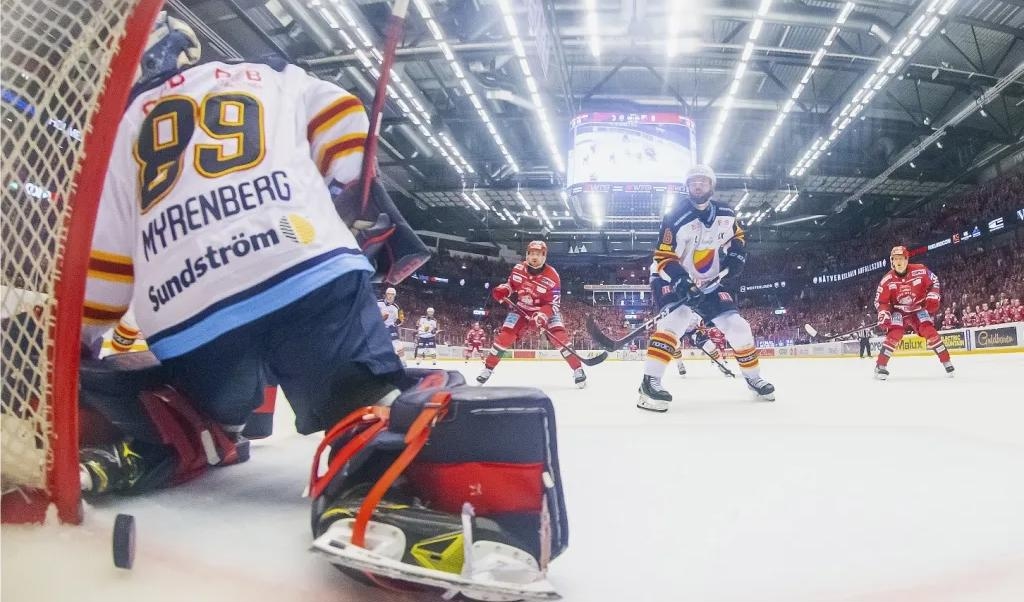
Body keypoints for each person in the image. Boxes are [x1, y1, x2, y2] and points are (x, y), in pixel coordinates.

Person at [78, 13, 413, 496]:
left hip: (191, 318)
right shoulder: (274, 77)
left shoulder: (120, 129)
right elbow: (345, 124)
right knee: (359, 398)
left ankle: (201, 431)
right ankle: (374, 450)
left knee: (208, 404)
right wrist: (350, 187)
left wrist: (79, 345)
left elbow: (104, 269)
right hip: (305, 266)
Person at [638, 164, 774, 412]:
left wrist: (736, 257)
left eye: (702, 181)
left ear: (711, 185)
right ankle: (649, 383)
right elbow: (663, 256)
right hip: (669, 277)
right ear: (687, 187)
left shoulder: (726, 213)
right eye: (693, 182)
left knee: (738, 327)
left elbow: (738, 237)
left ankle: (754, 379)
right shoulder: (675, 217)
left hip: (708, 280)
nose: (697, 185)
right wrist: (682, 281)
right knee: (677, 319)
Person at [477, 241, 586, 388]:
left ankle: (578, 369)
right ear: (527, 255)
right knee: (505, 336)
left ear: (544, 256)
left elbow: (553, 304)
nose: (534, 257)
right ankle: (488, 368)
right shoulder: (518, 269)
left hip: (545, 311)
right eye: (531, 253)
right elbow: (511, 285)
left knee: (560, 338)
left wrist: (541, 316)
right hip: (522, 309)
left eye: (538, 254)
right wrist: (504, 290)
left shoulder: (553, 276)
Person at [873, 246, 955, 379]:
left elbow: (934, 281)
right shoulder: (887, 280)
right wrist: (884, 314)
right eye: (895, 259)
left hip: (918, 309)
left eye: (901, 259)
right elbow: (881, 301)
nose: (898, 262)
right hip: (898, 312)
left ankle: (946, 361)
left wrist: (933, 295)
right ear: (891, 261)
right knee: (895, 333)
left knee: (929, 331)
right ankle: (880, 366)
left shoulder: (920, 270)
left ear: (907, 259)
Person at [378, 286, 406, 366]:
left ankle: (402, 361)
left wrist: (396, 323)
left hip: (391, 328)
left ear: (395, 296)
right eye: (388, 294)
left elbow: (401, 319)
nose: (390, 296)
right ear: (385, 295)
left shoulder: (397, 307)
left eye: (392, 294)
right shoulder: (378, 303)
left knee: (397, 344)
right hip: (379, 328)